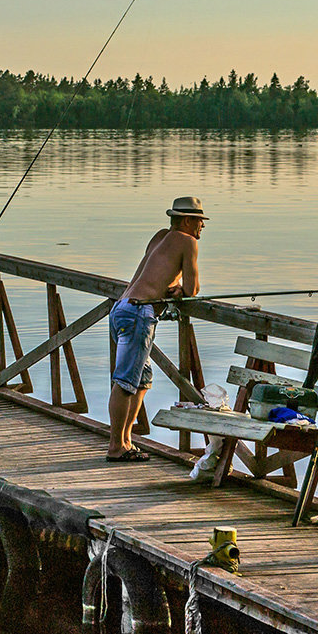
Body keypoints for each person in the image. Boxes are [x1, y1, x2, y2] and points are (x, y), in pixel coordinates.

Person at [106, 196, 207, 461]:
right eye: (199, 221)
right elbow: (192, 289)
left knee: (141, 381)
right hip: (140, 312)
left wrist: (173, 287)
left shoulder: (160, 236)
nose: (202, 227)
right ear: (186, 221)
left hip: (122, 308)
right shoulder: (188, 241)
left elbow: (158, 273)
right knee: (125, 382)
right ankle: (115, 447)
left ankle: (126, 442)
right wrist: (180, 290)